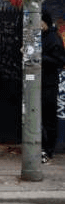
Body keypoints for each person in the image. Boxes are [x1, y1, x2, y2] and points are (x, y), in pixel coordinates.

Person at [41, 9, 65, 163]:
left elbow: (60, 61)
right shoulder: (42, 36)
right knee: (42, 117)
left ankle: (48, 150)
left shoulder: (53, 38)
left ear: (44, 22)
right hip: (41, 82)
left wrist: (39, 56)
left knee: (48, 117)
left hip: (49, 83)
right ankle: (43, 148)